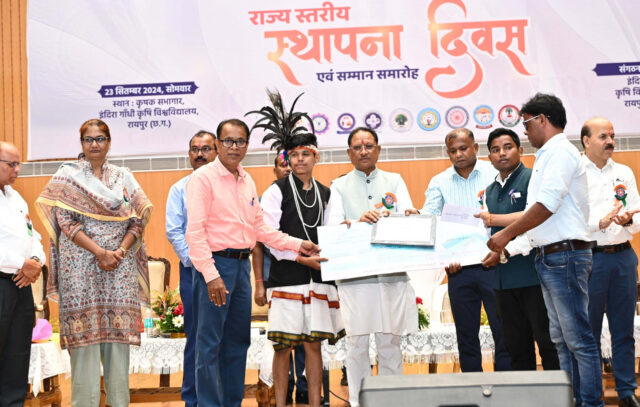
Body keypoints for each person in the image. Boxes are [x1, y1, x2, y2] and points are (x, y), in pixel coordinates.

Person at [185, 118, 319, 407]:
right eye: (228, 141)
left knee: (237, 343)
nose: (234, 147)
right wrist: (210, 275)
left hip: (241, 267)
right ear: (217, 144)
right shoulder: (203, 179)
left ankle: (231, 403)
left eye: (240, 141)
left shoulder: (246, 180)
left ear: (247, 145)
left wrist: (298, 244)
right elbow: (194, 233)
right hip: (215, 267)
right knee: (209, 345)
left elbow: (260, 229)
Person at [487, 93, 603, 407]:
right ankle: (571, 399)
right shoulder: (547, 156)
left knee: (578, 340)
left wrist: (505, 235)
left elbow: (545, 206)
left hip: (565, 256)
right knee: (562, 341)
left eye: (526, 124)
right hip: (550, 256)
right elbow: (537, 222)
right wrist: (506, 250)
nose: (525, 131)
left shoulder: (561, 152)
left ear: (541, 119)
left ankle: (590, 403)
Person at [36, 119, 153, 407]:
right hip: (81, 270)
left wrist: (119, 251)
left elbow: (139, 217)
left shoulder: (124, 177)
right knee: (84, 346)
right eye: (88, 139)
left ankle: (119, 402)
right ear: (82, 144)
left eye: (100, 138)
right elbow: (64, 220)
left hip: (119, 270)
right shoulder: (68, 176)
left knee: (117, 348)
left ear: (109, 142)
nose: (95, 144)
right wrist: (100, 252)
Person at [253, 91, 345, 407]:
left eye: (306, 154)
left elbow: (333, 233)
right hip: (286, 279)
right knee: (282, 347)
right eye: (294, 155)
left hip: (318, 279)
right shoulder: (275, 191)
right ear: (288, 159)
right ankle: (281, 403)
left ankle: (316, 403)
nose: (300, 159)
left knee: (314, 346)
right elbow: (267, 235)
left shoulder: (328, 194)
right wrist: (302, 258)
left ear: (316, 157)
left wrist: (325, 258)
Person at [325, 127, 418, 407]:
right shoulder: (339, 186)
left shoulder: (395, 180)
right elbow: (332, 228)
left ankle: (392, 402)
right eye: (357, 147)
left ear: (378, 149)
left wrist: (398, 217)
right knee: (357, 344)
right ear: (349, 153)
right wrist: (357, 222)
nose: (363, 151)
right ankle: (359, 401)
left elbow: (408, 218)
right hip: (356, 278)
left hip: (391, 274)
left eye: (368, 146)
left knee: (390, 342)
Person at [419, 128, 511, 373]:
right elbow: (430, 221)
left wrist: (501, 249)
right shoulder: (439, 182)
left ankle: (505, 387)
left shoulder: (495, 173)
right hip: (458, 268)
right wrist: (443, 256)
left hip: (495, 263)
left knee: (504, 331)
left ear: (475, 148)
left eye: (463, 148)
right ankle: (473, 387)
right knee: (466, 336)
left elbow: (509, 214)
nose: (458, 154)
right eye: (453, 151)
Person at [478, 128, 559, 371]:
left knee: (547, 343)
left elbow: (534, 219)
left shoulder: (532, 179)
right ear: (489, 157)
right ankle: (526, 393)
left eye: (508, 147)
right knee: (516, 347)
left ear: (520, 150)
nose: (502, 153)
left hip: (533, 275)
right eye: (495, 150)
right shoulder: (490, 190)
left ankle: (557, 392)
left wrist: (499, 238)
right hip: (503, 281)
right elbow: (488, 233)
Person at [581, 117, 640, 407]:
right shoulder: (576, 173)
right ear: (586, 141)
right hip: (589, 259)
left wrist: (628, 220)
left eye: (612, 136)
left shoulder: (623, 171)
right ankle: (592, 395)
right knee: (588, 332)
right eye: (603, 136)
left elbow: (637, 216)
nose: (610, 142)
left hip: (623, 257)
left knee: (624, 330)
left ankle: (627, 391)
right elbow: (568, 221)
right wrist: (598, 224)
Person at [165, 130, 217, 407]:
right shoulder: (179, 189)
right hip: (194, 272)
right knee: (196, 337)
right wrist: (197, 262)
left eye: (206, 148)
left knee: (224, 337)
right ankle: (193, 399)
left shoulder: (228, 186)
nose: (200, 154)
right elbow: (174, 231)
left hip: (226, 268)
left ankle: (219, 397)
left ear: (217, 152)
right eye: (195, 149)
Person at [252, 155, 308, 405]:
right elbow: (257, 247)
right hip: (275, 279)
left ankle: (305, 388)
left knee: (306, 338)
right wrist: (259, 284)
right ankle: (282, 389)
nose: (288, 167)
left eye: (291, 162)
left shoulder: (310, 196)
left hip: (306, 277)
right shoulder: (264, 200)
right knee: (282, 341)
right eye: (282, 164)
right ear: (274, 169)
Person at [0, 141, 45, 407]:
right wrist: (21, 263)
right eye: (12, 164)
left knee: (17, 357)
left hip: (21, 286)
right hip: (2, 282)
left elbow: (33, 235)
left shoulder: (16, 197)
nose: (17, 169)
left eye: (19, 164)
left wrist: (36, 262)